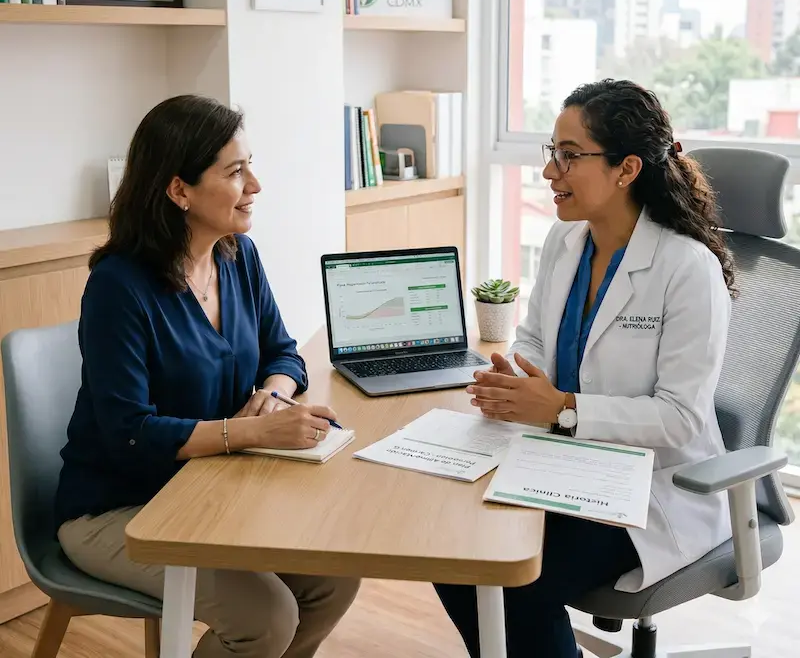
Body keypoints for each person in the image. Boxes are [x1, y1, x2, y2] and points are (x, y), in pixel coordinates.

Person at [434, 79, 736, 658]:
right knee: (455, 553)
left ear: (626, 169)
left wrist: (565, 411)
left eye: (569, 156)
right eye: (552, 153)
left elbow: (680, 419)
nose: (551, 173)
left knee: (513, 582)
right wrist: (514, 383)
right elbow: (536, 340)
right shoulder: (564, 240)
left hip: (649, 490)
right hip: (560, 466)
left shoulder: (686, 268)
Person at [54, 94, 360, 658]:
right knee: (265, 617)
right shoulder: (119, 288)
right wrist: (248, 433)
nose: (256, 185)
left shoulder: (237, 255)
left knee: (333, 576)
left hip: (213, 489)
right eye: (236, 171)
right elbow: (129, 433)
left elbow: (285, 354)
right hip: (117, 508)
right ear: (179, 190)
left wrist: (271, 397)